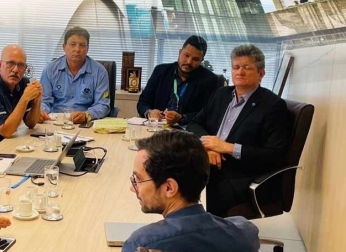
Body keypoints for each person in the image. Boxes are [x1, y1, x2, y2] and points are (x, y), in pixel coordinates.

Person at [187, 44, 290, 217]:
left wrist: (228, 147)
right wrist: (209, 146)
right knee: (173, 178)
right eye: (236, 67)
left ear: (261, 73)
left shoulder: (273, 106)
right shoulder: (222, 94)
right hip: (209, 163)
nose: (239, 72)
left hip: (240, 176)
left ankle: (209, 240)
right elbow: (194, 123)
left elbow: (276, 155)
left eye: (247, 67)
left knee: (194, 196)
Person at [123, 131, 260, 252]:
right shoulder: (246, 234)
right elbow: (245, 226)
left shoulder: (141, 243)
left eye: (138, 180)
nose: (132, 187)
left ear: (169, 188)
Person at [137, 35, 218, 126]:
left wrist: (181, 117)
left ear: (201, 60)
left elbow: (208, 114)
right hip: (157, 126)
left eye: (195, 59)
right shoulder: (160, 71)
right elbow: (143, 102)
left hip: (187, 130)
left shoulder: (210, 80)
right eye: (186, 55)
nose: (189, 62)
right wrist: (149, 112)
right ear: (180, 53)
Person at [39, 26, 110, 124]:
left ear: (87, 48)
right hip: (55, 122)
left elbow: (103, 104)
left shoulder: (100, 72)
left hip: (84, 122)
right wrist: (41, 112)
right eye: (73, 44)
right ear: (64, 47)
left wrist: (87, 115)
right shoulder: (50, 70)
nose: (77, 49)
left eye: (82, 45)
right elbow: (43, 101)